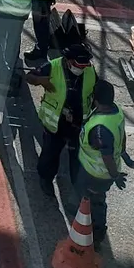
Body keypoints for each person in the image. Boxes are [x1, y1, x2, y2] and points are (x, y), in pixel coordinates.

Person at [75, 78, 134, 246]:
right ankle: (85, 214)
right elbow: (122, 135)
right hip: (96, 171)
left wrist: (115, 175)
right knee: (91, 198)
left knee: (96, 202)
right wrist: (125, 155)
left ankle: (97, 233)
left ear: (96, 99)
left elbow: (107, 156)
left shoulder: (100, 128)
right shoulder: (115, 111)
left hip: (95, 174)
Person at [27, 42, 94, 193]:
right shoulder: (52, 67)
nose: (82, 69)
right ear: (69, 61)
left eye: (85, 66)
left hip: (78, 124)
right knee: (50, 155)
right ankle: (46, 179)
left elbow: (93, 90)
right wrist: (40, 80)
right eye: (79, 65)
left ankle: (78, 186)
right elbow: (30, 77)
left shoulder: (89, 70)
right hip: (55, 124)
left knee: (78, 158)